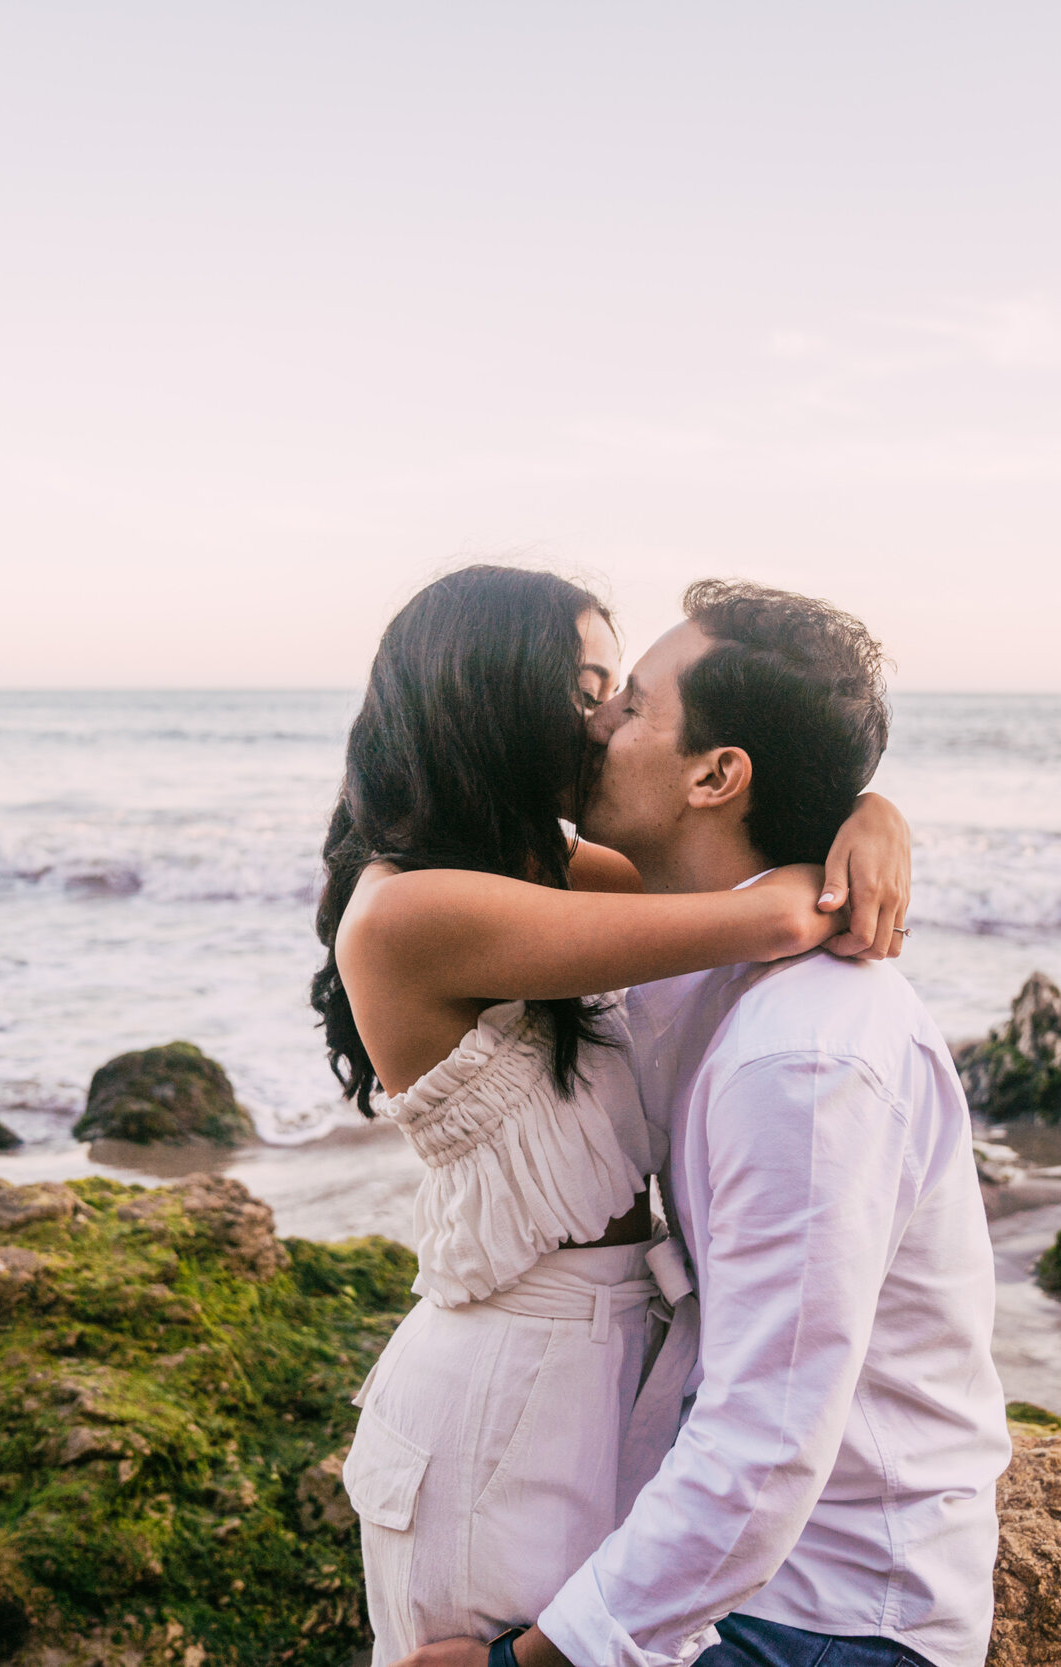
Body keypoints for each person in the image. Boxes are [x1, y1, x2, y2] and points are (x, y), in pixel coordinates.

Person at [312, 566, 915, 1667]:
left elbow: (718, 860)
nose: (603, 717)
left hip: (606, 1371)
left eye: (620, 691)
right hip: (501, 1386)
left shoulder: (544, 868)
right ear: (491, 691)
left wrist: (865, 805)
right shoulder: (412, 911)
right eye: (589, 684)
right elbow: (774, 907)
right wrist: (865, 818)